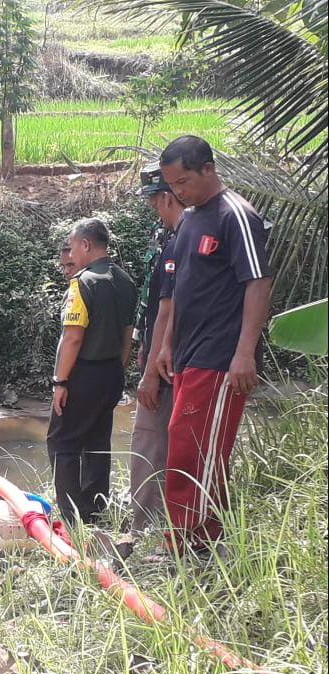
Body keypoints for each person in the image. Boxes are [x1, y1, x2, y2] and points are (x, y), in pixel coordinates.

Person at [155, 135, 271, 555]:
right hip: (188, 353)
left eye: (184, 181)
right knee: (186, 443)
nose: (179, 192)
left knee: (194, 448)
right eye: (172, 185)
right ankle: (202, 539)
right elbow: (182, 289)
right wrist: (167, 344)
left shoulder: (236, 216)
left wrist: (244, 353)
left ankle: (190, 545)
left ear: (209, 168)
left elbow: (258, 282)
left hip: (221, 355)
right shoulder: (188, 220)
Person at [47, 218, 137, 525]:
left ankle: (73, 518)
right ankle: (96, 512)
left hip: (82, 374)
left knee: (63, 444)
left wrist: (60, 381)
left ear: (86, 245)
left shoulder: (83, 283)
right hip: (112, 372)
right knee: (98, 443)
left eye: (72, 247)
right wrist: (117, 370)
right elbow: (128, 333)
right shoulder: (125, 280)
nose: (70, 255)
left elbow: (72, 337)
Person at [126, 164, 186, 536]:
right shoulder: (170, 239)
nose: (155, 213)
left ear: (167, 197)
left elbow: (170, 307)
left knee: (148, 439)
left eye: (155, 204)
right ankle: (158, 522)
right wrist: (143, 343)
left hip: (167, 366)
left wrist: (150, 368)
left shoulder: (179, 242)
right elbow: (155, 302)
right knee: (161, 439)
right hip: (169, 358)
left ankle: (144, 526)